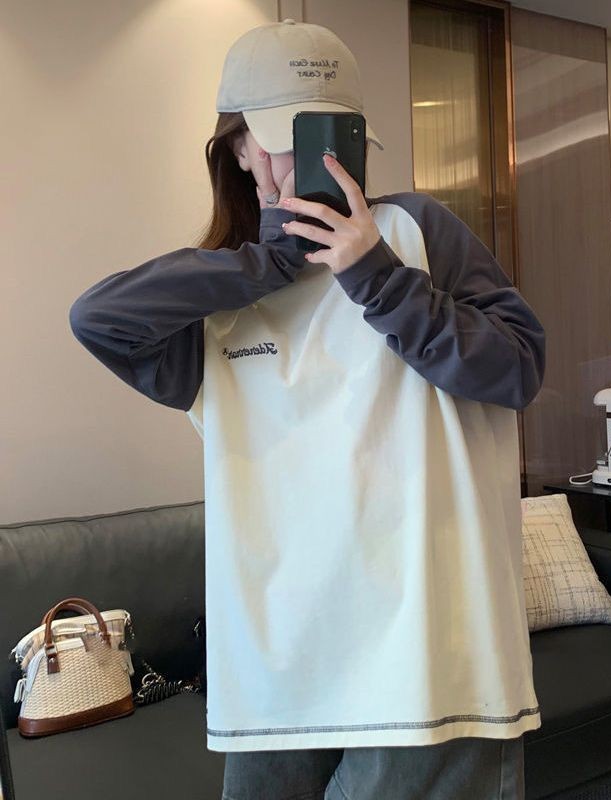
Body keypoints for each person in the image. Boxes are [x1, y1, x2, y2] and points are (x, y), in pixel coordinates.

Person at [69, 19, 546, 800]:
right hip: (280, 667)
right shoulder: (222, 301)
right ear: (240, 150)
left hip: (429, 661)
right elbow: (98, 319)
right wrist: (271, 261)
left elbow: (518, 368)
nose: (319, 164)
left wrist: (375, 276)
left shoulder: (416, 232)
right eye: (289, 140)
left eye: (334, 139)